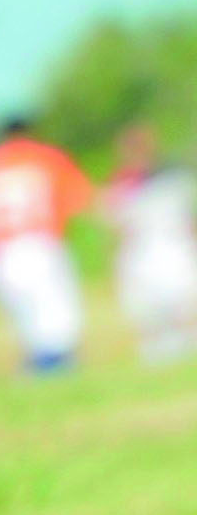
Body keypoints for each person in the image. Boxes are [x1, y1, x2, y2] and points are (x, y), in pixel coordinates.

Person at [0, 115, 94, 373]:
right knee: (56, 321)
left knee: (28, 324)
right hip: (38, 245)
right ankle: (54, 371)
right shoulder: (44, 157)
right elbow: (80, 198)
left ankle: (40, 367)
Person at [102, 123, 197, 364]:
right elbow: (117, 227)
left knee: (180, 304)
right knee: (149, 312)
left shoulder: (170, 177)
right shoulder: (122, 183)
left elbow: (187, 218)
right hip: (141, 254)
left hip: (173, 248)